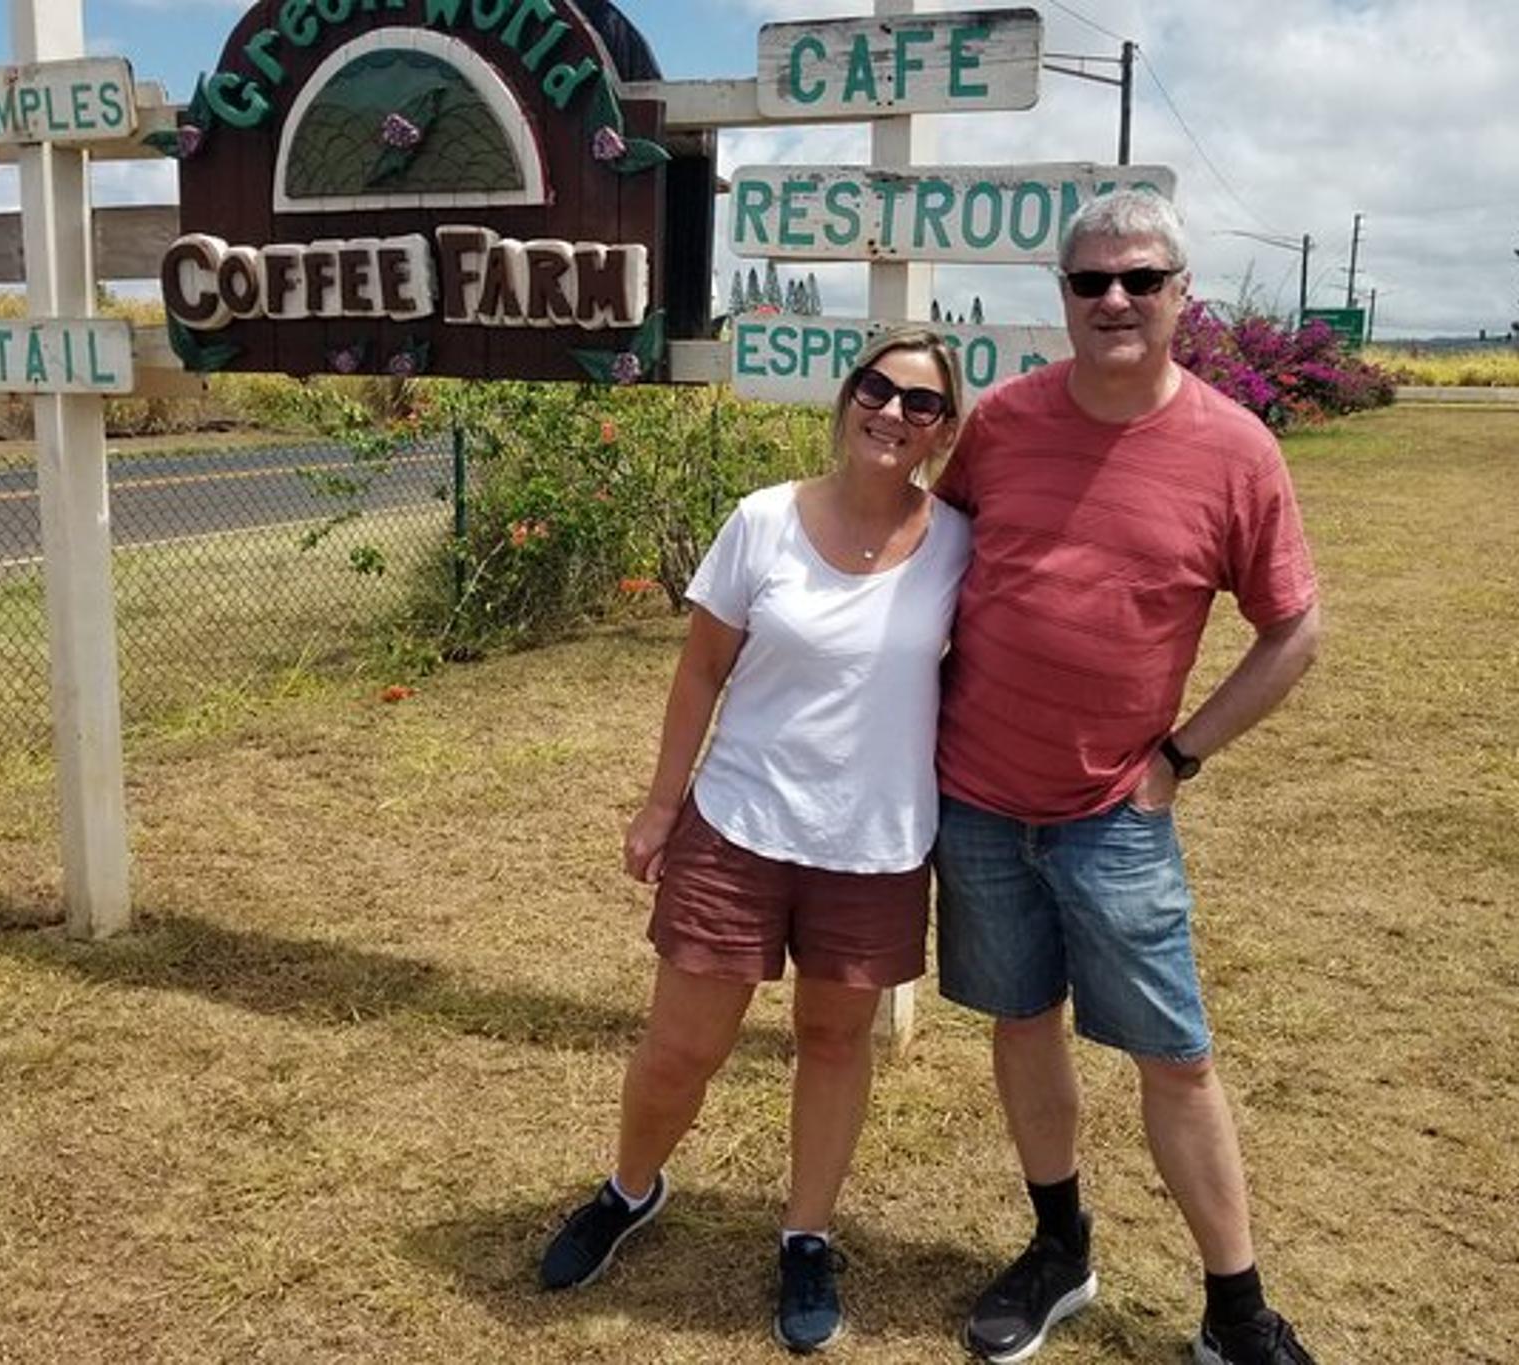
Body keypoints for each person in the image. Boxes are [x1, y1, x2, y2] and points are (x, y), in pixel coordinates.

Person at [931, 189, 1323, 1365]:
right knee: (1018, 1022)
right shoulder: (999, 423)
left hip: (1114, 813)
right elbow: (930, 557)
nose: (1112, 299)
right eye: (1088, 280)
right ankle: (1060, 1251)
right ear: (1060, 296)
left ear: (1178, 297)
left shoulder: (1234, 452)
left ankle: (1234, 1312)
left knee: (1175, 1056)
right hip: (977, 801)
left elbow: (1292, 629)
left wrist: (1177, 758)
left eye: (1138, 280)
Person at [538, 330, 972, 1353]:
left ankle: (806, 1237)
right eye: (878, 389)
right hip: (738, 823)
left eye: (921, 405)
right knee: (682, 1049)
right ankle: (629, 1189)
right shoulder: (763, 521)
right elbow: (700, 672)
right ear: (847, 396)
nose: (893, 414)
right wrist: (659, 805)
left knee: (832, 1041)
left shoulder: (958, 539)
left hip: (873, 841)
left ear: (941, 432)